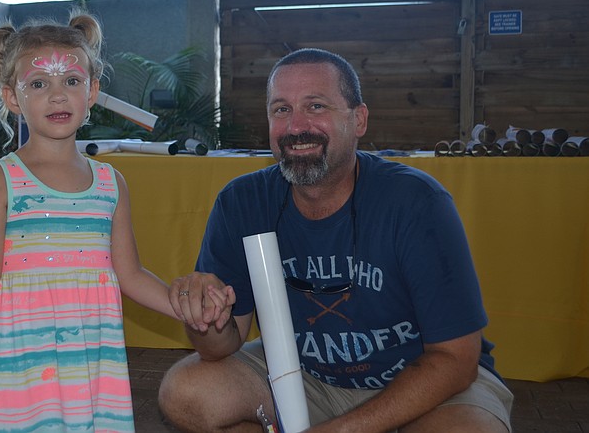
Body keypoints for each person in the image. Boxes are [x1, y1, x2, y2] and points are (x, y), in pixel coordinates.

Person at [160, 48, 513, 432]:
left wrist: (342, 430)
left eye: (316, 106)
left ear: (358, 119)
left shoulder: (416, 203)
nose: (296, 127)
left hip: (423, 382)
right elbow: (223, 346)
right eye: (281, 109)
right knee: (186, 392)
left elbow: (457, 359)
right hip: (303, 378)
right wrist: (202, 319)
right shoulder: (242, 202)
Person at [0, 10, 233, 433]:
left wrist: (188, 308)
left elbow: (130, 275)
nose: (57, 96)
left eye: (71, 82)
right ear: (11, 97)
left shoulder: (110, 183)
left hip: (94, 365)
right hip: (24, 366)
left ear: (92, 91)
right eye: (38, 84)